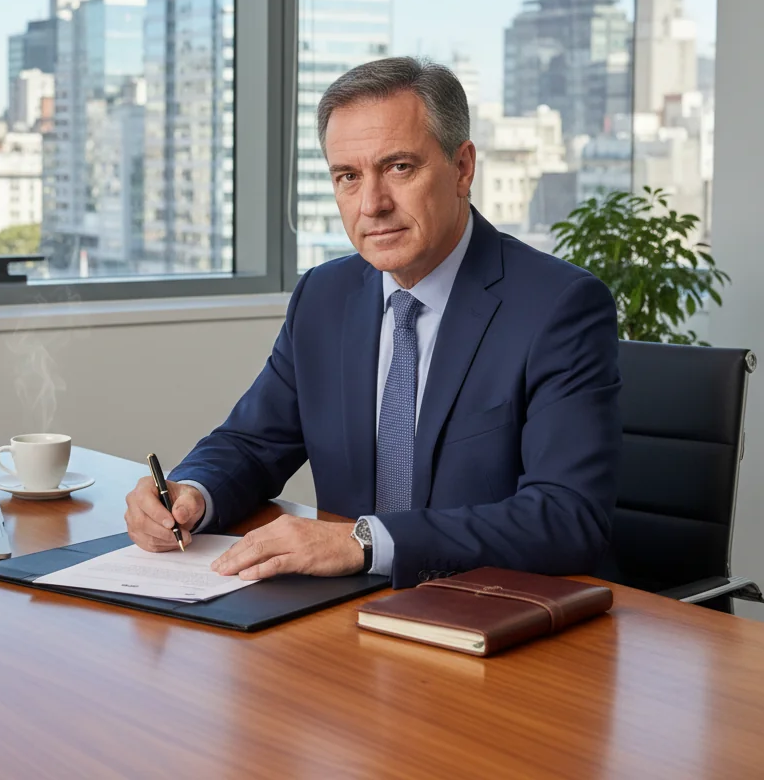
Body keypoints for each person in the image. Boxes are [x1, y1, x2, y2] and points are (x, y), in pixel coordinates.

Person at [124, 56, 622, 589]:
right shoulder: (324, 296)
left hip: (495, 612)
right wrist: (192, 490)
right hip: (348, 618)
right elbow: (252, 443)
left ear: (462, 168)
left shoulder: (559, 306)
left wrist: (364, 541)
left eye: (399, 167)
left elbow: (568, 515)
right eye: (348, 177)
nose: (372, 205)